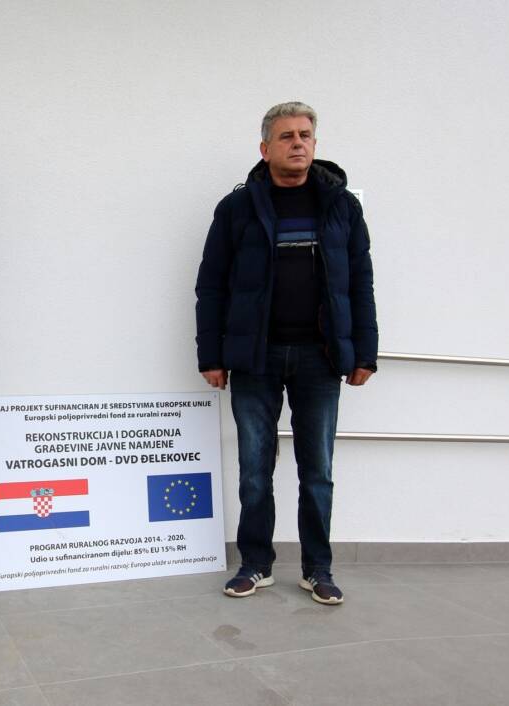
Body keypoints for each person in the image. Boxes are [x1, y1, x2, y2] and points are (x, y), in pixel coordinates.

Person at [195, 102, 377, 605]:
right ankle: (255, 564)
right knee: (255, 471)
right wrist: (211, 355)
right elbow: (212, 284)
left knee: (317, 472)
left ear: (314, 144)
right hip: (255, 357)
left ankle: (318, 568)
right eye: (286, 136)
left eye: (305, 135)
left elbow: (360, 282)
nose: (297, 143)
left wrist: (365, 352)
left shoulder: (341, 207)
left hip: (320, 359)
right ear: (265, 148)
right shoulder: (236, 208)